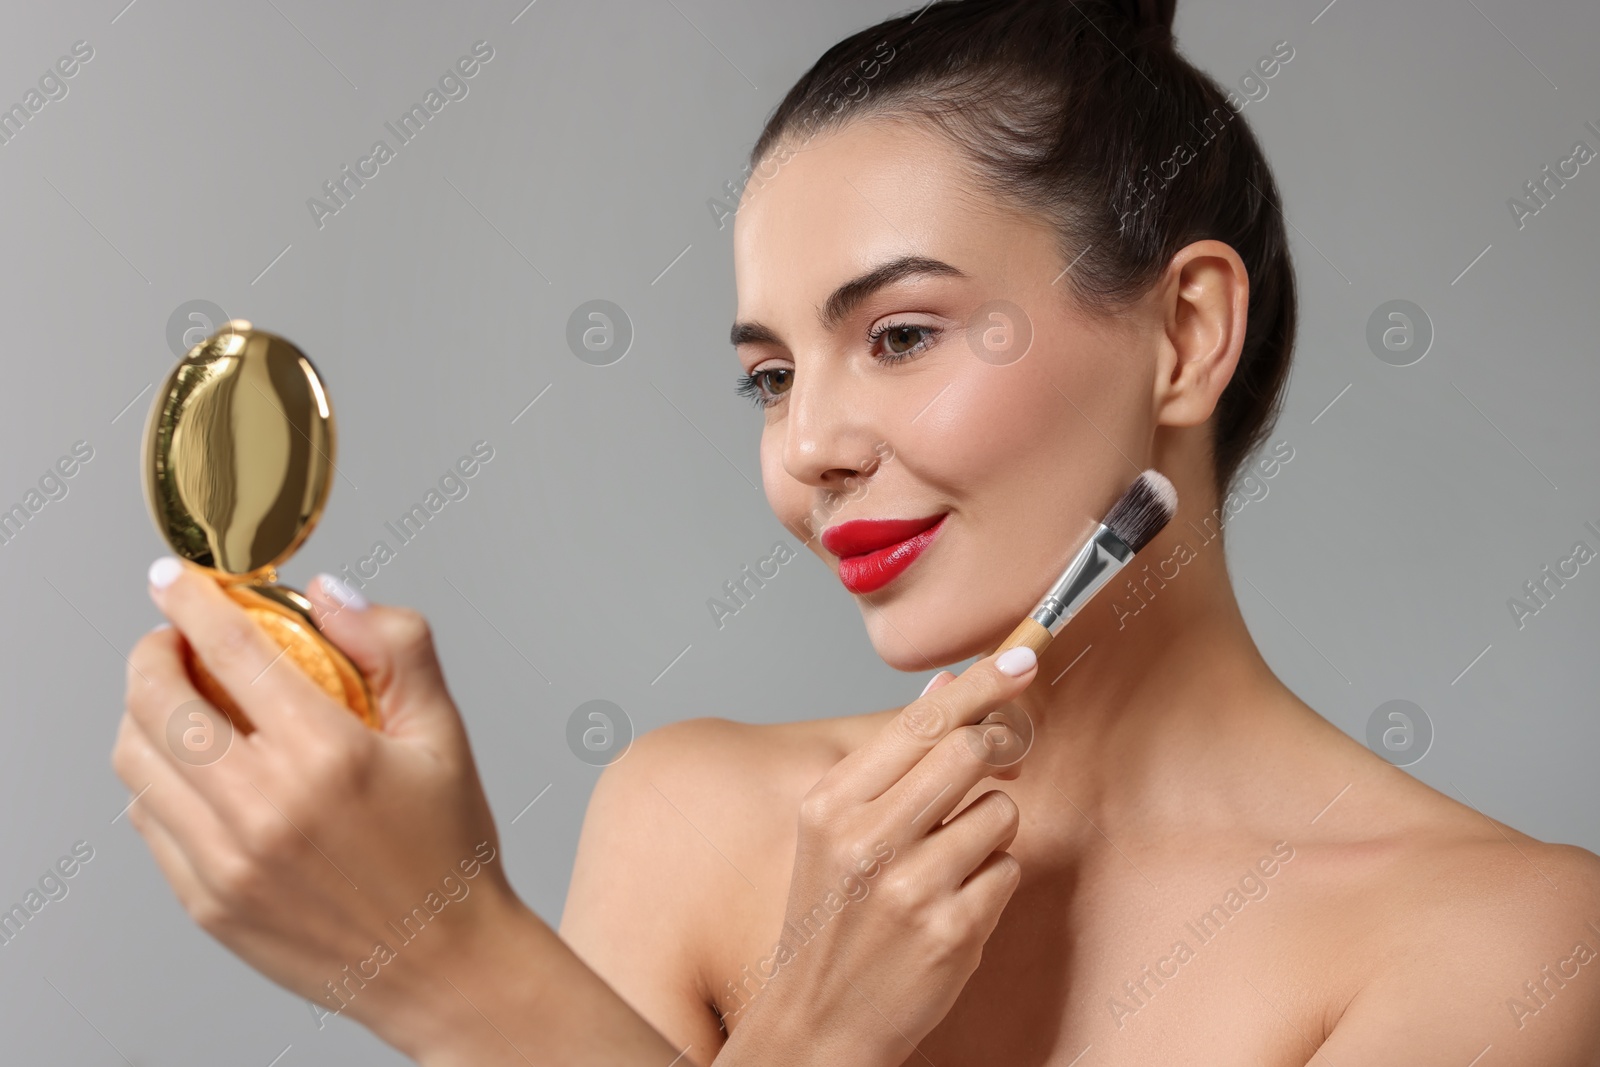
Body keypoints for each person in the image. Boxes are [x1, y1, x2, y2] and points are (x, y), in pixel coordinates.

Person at [115, 0, 1600, 1064]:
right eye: (771, 376)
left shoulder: (1510, 949)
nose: (806, 449)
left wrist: (449, 967)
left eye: (897, 334)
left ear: (1187, 335)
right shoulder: (693, 821)